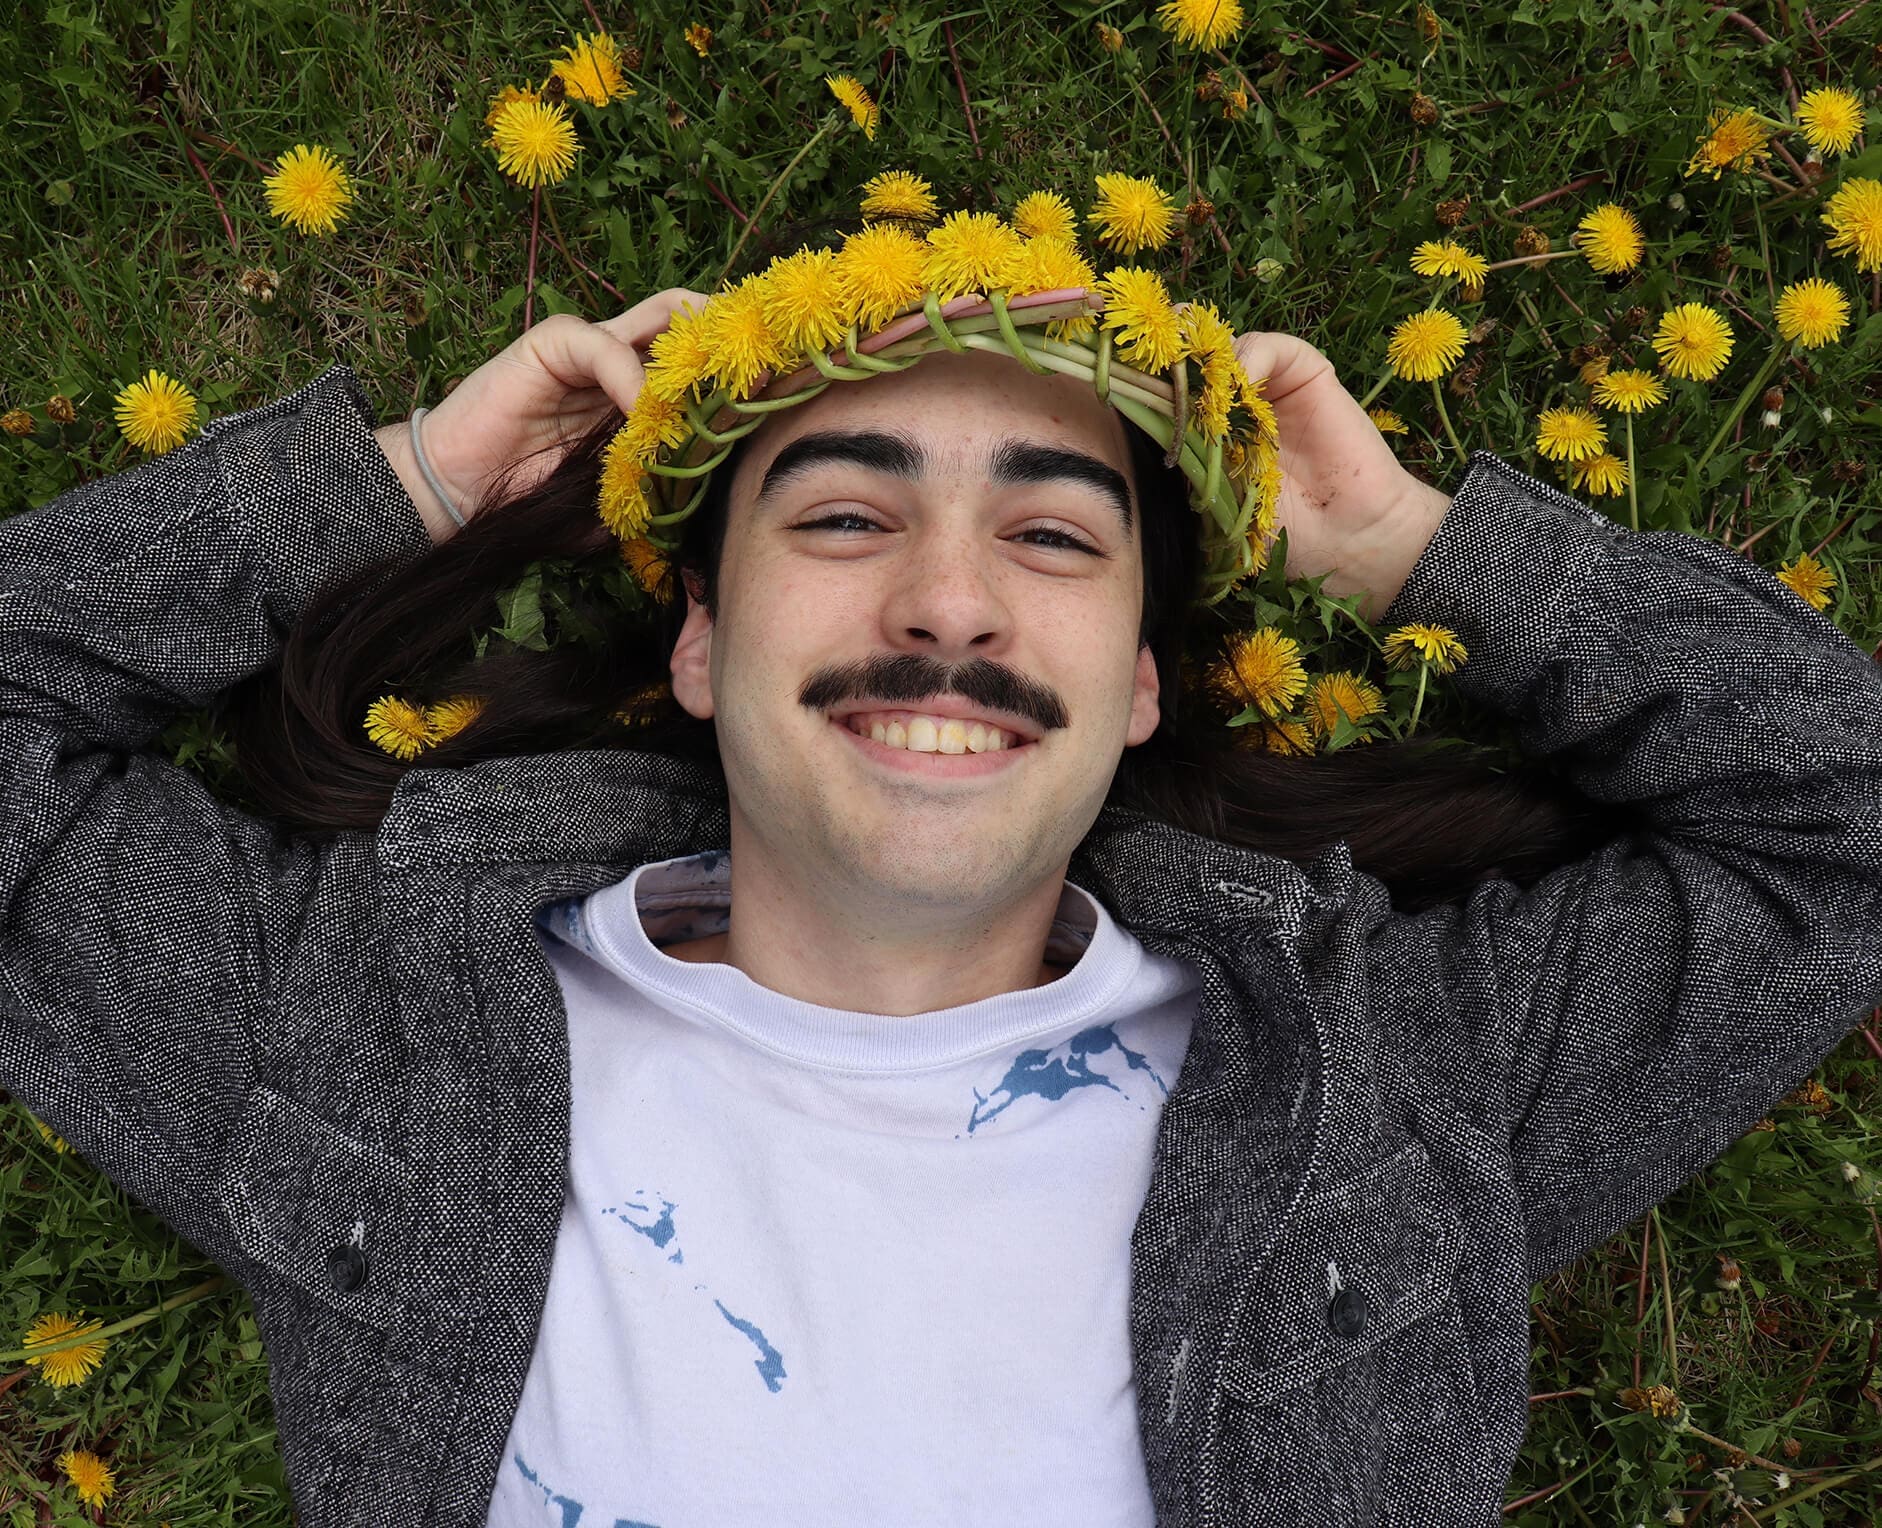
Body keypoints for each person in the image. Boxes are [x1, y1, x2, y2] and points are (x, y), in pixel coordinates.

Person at [4, 281, 1880, 1528]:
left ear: (1139, 683)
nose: (950, 607)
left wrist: (1411, 548)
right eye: (840, 517)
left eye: (1053, 536)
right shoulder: (349, 1029)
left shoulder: (1393, 1078)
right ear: (700, 642)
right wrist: (404, 482)